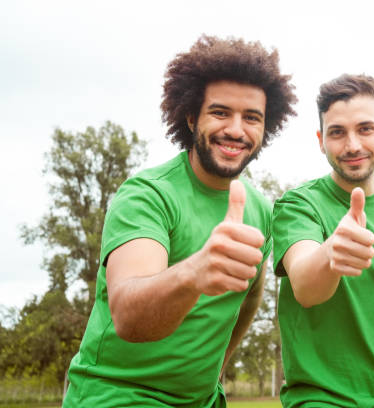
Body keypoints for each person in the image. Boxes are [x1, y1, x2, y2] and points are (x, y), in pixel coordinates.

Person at [62, 34, 297, 408]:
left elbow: (251, 292)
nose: (236, 129)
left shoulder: (258, 208)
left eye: (252, 117)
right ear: (191, 116)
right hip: (118, 397)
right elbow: (128, 316)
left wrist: (217, 366)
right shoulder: (146, 195)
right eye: (220, 112)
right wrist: (194, 273)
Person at [272, 74, 374, 407]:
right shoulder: (298, 205)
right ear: (320, 140)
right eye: (337, 133)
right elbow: (305, 286)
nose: (353, 145)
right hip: (323, 398)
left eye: (365, 129)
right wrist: (332, 252)